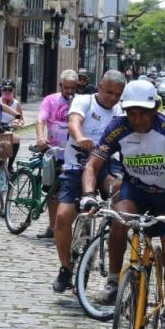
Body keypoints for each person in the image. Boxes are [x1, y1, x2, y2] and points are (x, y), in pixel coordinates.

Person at [80, 79, 165, 329]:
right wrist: (89, 196)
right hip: (136, 191)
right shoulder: (118, 127)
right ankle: (113, 281)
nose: (138, 119)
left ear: (155, 109)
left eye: (144, 112)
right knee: (119, 219)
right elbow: (92, 165)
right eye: (132, 113)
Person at [51, 70, 125, 293]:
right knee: (63, 217)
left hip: (106, 167)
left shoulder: (121, 111)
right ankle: (65, 268)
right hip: (77, 166)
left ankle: (113, 234)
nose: (113, 98)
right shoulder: (84, 101)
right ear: (100, 86)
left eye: (118, 94)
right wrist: (80, 137)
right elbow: (74, 121)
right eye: (109, 92)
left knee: (121, 195)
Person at [34, 70, 78, 238]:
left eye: (72, 88)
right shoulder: (50, 100)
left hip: (72, 153)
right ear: (61, 86)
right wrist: (40, 137)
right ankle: (52, 227)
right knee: (53, 191)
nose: (69, 91)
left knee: (71, 192)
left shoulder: (79, 102)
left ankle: (65, 226)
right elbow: (40, 120)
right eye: (66, 87)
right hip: (53, 152)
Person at [0, 78, 24, 172]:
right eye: (5, 89)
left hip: (9, 128)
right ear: (1, 90)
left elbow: (21, 119)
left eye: (10, 89)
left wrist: (18, 123)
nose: (7, 92)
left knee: (16, 139)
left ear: (13, 90)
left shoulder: (16, 104)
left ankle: (10, 166)